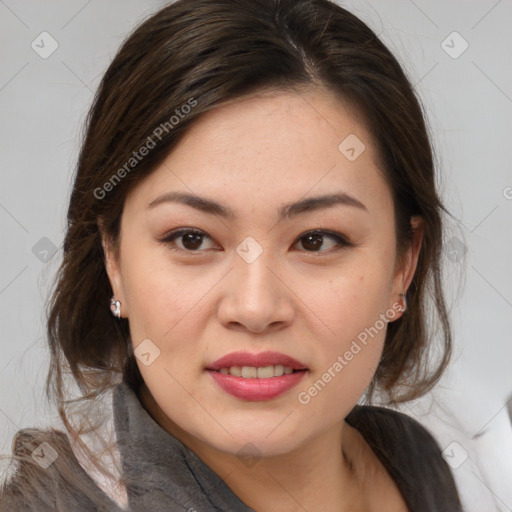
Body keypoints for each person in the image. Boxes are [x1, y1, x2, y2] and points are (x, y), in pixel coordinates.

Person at [0, 0, 464, 510]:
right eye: (191, 239)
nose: (255, 308)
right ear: (114, 259)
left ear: (404, 262)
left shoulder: (427, 461)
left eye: (316, 240)